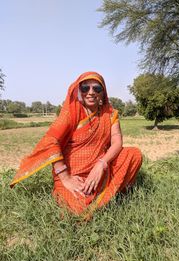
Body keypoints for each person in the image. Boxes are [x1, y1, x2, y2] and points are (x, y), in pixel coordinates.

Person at [10, 71, 142, 219]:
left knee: (133, 154)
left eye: (97, 88)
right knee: (78, 212)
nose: (91, 93)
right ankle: (97, 198)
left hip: (99, 170)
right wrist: (66, 178)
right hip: (73, 175)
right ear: (79, 91)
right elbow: (51, 141)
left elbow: (117, 141)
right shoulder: (72, 112)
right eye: (85, 88)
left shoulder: (110, 113)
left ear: (103, 92)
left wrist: (101, 164)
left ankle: (110, 193)